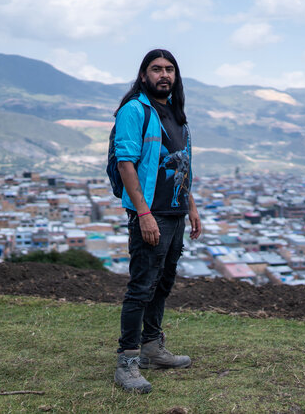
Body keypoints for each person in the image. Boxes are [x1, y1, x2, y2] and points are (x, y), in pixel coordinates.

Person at [113, 49, 201, 393]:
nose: (163, 74)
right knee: (141, 287)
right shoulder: (135, 110)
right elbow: (126, 163)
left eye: (169, 69)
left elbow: (183, 167)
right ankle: (128, 361)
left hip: (176, 212)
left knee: (162, 283)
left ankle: (151, 346)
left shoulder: (177, 115)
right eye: (156, 69)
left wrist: (191, 206)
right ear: (143, 74)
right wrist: (143, 213)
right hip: (151, 214)